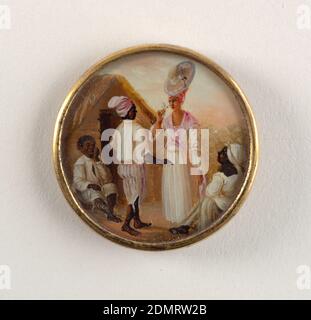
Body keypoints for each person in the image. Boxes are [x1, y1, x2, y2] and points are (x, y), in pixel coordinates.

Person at [169, 143, 246, 235]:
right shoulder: (240, 173)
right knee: (205, 201)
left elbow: (209, 192)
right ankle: (186, 225)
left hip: (222, 204)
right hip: (228, 201)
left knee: (206, 201)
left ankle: (187, 225)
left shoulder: (221, 176)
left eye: (223, 153)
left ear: (229, 158)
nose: (219, 153)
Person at [152, 90, 203, 225]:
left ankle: (183, 219)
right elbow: (156, 136)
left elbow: (195, 145)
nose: (171, 103)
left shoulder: (189, 119)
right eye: (170, 101)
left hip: (181, 159)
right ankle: (174, 218)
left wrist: (197, 168)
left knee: (181, 187)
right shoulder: (167, 120)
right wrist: (158, 121)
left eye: (174, 100)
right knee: (171, 187)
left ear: (181, 100)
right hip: (169, 159)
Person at [108, 96, 152, 236]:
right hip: (134, 167)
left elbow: (113, 150)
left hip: (123, 168)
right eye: (133, 109)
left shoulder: (118, 130)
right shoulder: (136, 128)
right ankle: (126, 224)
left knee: (131, 193)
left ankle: (137, 220)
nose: (136, 112)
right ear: (128, 112)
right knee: (135, 196)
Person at [72, 135, 121, 223]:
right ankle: (110, 214)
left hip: (98, 188)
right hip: (85, 191)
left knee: (111, 186)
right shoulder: (80, 163)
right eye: (88, 145)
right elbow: (77, 182)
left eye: (93, 145)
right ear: (81, 147)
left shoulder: (97, 160)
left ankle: (109, 211)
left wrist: (97, 161)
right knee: (94, 193)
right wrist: (90, 185)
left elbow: (107, 178)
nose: (91, 148)